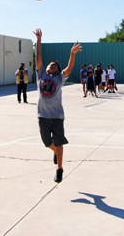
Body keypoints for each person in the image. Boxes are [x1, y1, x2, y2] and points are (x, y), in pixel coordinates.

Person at [33, 28, 82, 183]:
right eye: (50, 64)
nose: (51, 65)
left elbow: (69, 69)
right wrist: (39, 40)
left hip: (57, 116)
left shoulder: (60, 79)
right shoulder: (41, 75)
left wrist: (72, 54)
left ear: (57, 70)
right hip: (42, 115)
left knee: (59, 142)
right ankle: (55, 151)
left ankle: (59, 168)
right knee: (47, 142)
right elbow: (39, 57)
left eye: (54, 65)